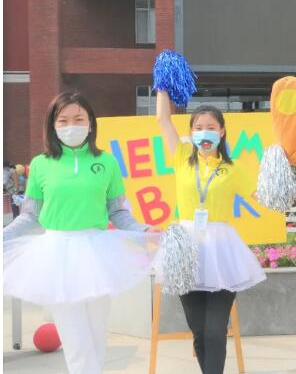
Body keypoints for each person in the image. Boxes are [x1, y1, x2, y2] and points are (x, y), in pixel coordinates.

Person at [3, 92, 160, 374]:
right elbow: (30, 215)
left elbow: (118, 212)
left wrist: (145, 229)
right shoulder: (41, 164)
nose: (70, 126)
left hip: (97, 252)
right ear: (52, 125)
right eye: (63, 120)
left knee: (96, 334)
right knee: (75, 337)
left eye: (78, 119)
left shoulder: (106, 163)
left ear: (90, 123)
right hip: (57, 253)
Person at [155, 90, 266, 374]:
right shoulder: (181, 157)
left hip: (221, 253)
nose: (205, 133)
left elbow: (260, 194)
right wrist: (162, 86)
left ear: (222, 131)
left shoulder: (233, 169)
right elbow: (162, 119)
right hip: (184, 250)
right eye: (198, 127)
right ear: (190, 132)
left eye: (211, 127)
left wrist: (280, 192)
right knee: (199, 331)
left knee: (215, 329)